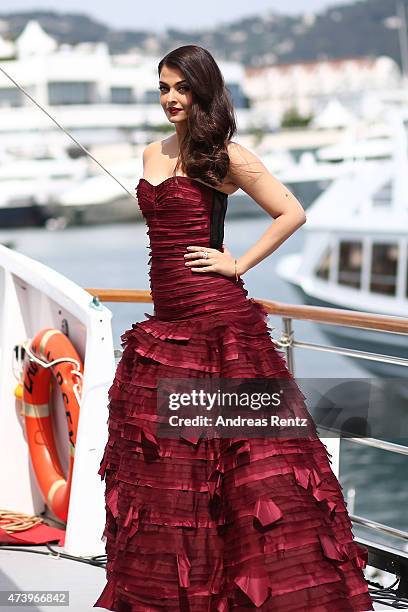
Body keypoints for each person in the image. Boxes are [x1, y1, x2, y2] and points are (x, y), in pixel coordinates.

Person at [94, 45, 374, 611]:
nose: (171, 99)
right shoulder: (152, 152)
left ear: (204, 89)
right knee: (169, 469)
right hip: (166, 326)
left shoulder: (223, 156)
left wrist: (238, 263)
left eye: (181, 88)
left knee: (250, 469)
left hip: (220, 324)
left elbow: (291, 211)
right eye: (163, 87)